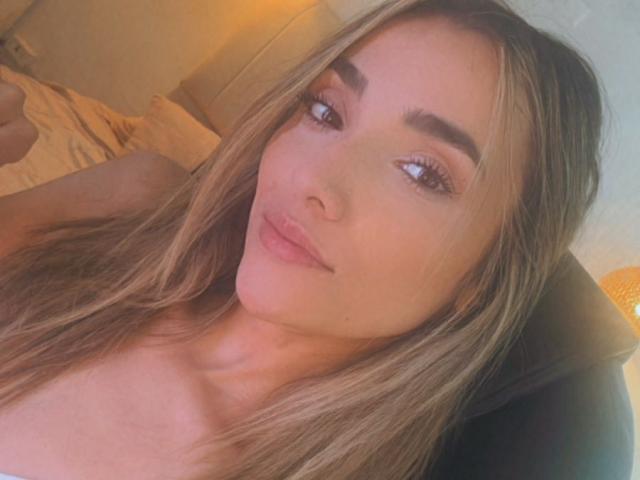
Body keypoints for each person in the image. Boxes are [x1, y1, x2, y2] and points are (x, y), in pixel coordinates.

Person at [0, 0, 609, 479]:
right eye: (325, 111)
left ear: (485, 276)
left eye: (423, 172)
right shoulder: (130, 205)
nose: (315, 179)